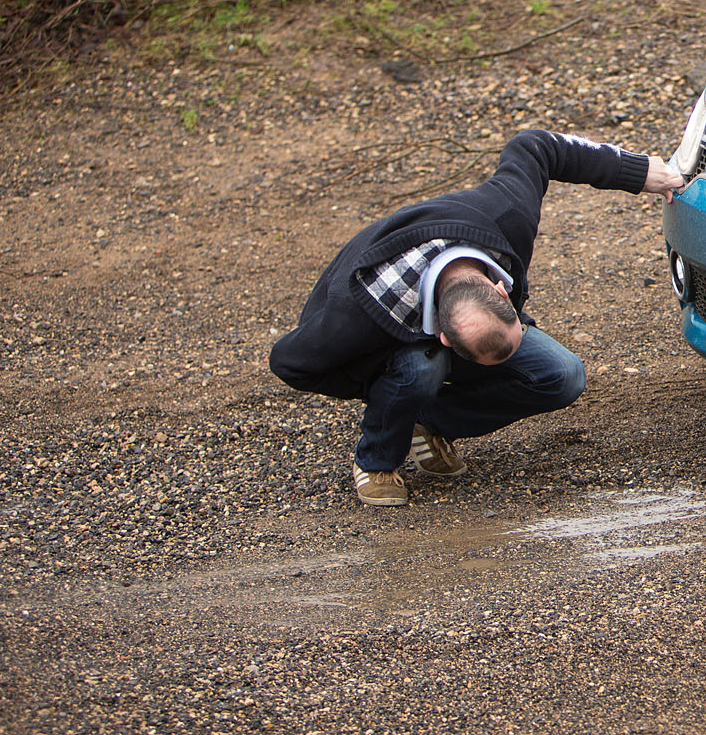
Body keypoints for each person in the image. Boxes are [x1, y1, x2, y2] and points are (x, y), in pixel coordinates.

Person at [269, 128, 685, 506]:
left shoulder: (505, 214)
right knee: (418, 369)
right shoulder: (352, 315)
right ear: (445, 337)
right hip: (387, 328)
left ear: (500, 290)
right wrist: (381, 389)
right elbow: (289, 364)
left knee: (562, 374)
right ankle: (377, 458)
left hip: (443, 292)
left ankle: (426, 422)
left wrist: (636, 171)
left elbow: (537, 146)